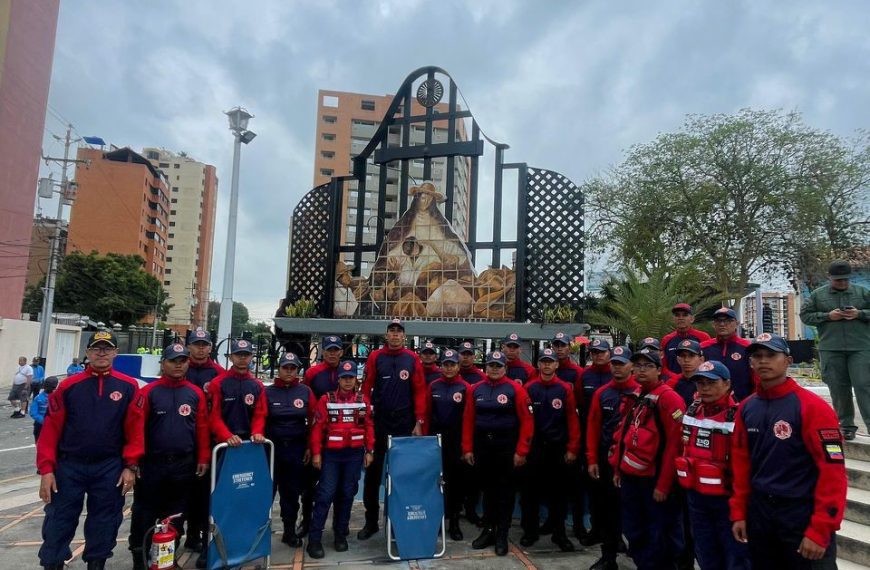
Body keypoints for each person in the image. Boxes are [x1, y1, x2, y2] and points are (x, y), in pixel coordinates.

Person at [730, 333, 848, 568]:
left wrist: (820, 528)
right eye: (757, 356)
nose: (763, 361)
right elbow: (741, 464)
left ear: (788, 360)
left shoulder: (814, 408)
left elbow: (833, 472)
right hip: (760, 516)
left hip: (801, 516)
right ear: (751, 363)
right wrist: (739, 512)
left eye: (771, 355)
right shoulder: (747, 407)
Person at [36, 331, 142, 570]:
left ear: (115, 352)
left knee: (105, 519)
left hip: (109, 466)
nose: (101, 353)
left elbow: (135, 430)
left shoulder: (128, 386)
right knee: (59, 519)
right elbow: (50, 431)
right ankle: (53, 564)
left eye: (107, 348)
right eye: (96, 348)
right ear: (87, 353)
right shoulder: (68, 387)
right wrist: (46, 469)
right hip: (69, 466)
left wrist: (130, 466)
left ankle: (97, 563)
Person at [127, 343, 210, 570]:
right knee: (144, 513)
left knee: (175, 515)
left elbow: (202, 427)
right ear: (163, 363)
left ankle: (166, 559)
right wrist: (133, 463)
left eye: (182, 361)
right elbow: (136, 430)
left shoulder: (194, 393)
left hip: (184, 464)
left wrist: (203, 457)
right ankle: (140, 558)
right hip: (152, 464)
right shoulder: (148, 392)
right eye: (173, 360)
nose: (178, 365)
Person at [610, 348, 686, 570]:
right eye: (638, 365)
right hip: (633, 478)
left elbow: (675, 444)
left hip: (655, 482)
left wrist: (663, 485)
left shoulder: (669, 398)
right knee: (635, 531)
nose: (641, 370)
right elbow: (624, 434)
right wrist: (617, 469)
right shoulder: (638, 394)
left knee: (660, 536)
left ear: (660, 370)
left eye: (648, 366)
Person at [358, 319, 427, 540]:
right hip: (380, 422)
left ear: (404, 336)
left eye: (399, 332)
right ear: (386, 335)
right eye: (392, 331)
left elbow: (419, 391)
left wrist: (419, 422)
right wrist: (367, 416)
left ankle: (398, 521)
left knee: (402, 475)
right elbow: (366, 388)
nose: (395, 335)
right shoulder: (375, 357)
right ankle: (371, 522)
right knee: (373, 474)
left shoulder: (412, 358)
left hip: (404, 423)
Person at [676, 360, 749, 570]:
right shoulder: (691, 411)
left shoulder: (739, 415)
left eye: (710, 383)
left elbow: (744, 466)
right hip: (696, 500)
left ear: (727, 384)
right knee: (705, 554)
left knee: (735, 558)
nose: (704, 388)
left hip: (726, 501)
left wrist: (741, 508)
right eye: (700, 384)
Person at [462, 350, 534, 556]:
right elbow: (468, 419)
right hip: (483, 448)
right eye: (491, 365)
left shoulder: (516, 390)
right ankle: (489, 530)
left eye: (498, 366)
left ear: (505, 368)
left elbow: (528, 423)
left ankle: (502, 533)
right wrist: (467, 447)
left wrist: (521, 451)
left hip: (507, 449)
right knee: (488, 492)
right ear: (486, 367)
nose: (494, 369)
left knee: (505, 494)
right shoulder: (476, 389)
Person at [205, 339, 267, 567]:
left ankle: (246, 546)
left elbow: (260, 414)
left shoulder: (257, 386)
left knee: (247, 498)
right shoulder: (218, 384)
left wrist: (258, 432)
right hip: (224, 450)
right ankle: (212, 547)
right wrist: (226, 436)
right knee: (220, 501)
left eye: (247, 354)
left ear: (252, 357)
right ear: (231, 357)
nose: (243, 358)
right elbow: (213, 417)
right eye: (238, 354)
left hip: (249, 450)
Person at [307, 360, 375, 559]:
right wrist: (317, 453)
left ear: (356, 379)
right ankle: (314, 539)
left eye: (351, 378)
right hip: (331, 455)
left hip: (353, 455)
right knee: (325, 495)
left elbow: (368, 427)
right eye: (344, 378)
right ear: (338, 378)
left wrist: (370, 450)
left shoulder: (363, 400)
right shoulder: (326, 399)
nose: (347, 381)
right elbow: (317, 428)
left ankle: (340, 534)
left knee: (347, 494)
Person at [800, 259, 870, 440]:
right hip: (831, 347)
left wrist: (860, 313)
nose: (842, 283)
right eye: (838, 280)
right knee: (838, 388)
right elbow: (805, 316)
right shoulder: (817, 295)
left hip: (860, 347)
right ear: (829, 277)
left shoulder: (863, 293)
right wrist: (828, 316)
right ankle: (846, 425)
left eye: (845, 279)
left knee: (864, 385)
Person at [519, 348, 579, 552]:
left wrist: (572, 448)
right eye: (543, 361)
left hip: (557, 448)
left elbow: (572, 420)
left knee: (559, 494)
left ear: (556, 365)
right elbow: (523, 421)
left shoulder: (564, 389)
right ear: (538, 365)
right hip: (534, 448)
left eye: (550, 361)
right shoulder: (529, 387)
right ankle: (530, 531)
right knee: (530, 493)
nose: (546, 365)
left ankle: (559, 534)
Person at [586, 346, 638, 570]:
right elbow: (593, 427)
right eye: (614, 364)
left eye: (621, 363)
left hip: (634, 461)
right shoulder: (602, 393)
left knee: (634, 509)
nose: (617, 368)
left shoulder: (641, 392)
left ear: (631, 366)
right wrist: (591, 459)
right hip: (607, 459)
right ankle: (608, 556)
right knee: (608, 509)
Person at [265, 352, 315, 548]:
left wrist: (310, 446)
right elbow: (260, 418)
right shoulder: (267, 393)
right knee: (266, 493)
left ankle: (289, 531)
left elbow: (313, 421)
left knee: (291, 494)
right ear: (279, 369)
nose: (289, 371)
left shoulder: (305, 391)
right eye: (285, 367)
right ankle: (258, 532)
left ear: (297, 370)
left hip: (295, 450)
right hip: (272, 451)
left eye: (292, 368)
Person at [182, 327, 224, 555]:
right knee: (181, 493)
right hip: (180, 440)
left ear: (210, 347)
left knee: (203, 492)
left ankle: (196, 533)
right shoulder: (179, 367)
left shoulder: (218, 373)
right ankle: (181, 534)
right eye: (196, 344)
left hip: (207, 441)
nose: (200, 348)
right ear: (189, 346)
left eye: (204, 344)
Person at [299, 335, 344, 538]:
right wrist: (310, 442)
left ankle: (338, 524)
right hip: (318, 434)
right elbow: (307, 406)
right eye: (329, 350)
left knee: (340, 486)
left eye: (336, 350)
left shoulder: (347, 373)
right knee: (310, 484)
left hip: (342, 437)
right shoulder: (313, 373)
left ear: (341, 352)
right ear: (322, 351)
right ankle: (306, 521)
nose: (332, 353)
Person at [428, 349, 472, 540]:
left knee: (455, 484)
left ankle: (454, 523)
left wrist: (465, 446)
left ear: (458, 366)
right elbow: (427, 414)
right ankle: (437, 522)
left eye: (452, 364)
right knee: (436, 483)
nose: (448, 368)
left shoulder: (465, 388)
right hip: (436, 441)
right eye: (445, 364)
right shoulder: (433, 386)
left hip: (456, 442)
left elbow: (469, 419)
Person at [701, 308, 756, 402]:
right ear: (713, 324)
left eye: (728, 321)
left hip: (742, 404)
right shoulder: (703, 348)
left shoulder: (748, 348)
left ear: (737, 323)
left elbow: (756, 379)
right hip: (711, 406)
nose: (722, 324)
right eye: (718, 321)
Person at [661, 303, 712, 377]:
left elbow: (708, 363)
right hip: (672, 383)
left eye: (685, 315)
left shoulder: (703, 337)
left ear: (692, 319)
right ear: (673, 319)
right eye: (677, 315)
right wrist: (676, 379)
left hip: (698, 381)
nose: (681, 318)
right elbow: (663, 366)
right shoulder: (666, 339)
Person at [669, 339, 704, 408]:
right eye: (683, 356)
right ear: (678, 360)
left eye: (691, 356)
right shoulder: (672, 383)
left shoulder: (708, 382)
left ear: (701, 360)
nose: (686, 360)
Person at [30, 376, 60, 443]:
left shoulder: (38, 397)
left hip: (44, 424)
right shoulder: (57, 397)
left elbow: (33, 413)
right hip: (48, 424)